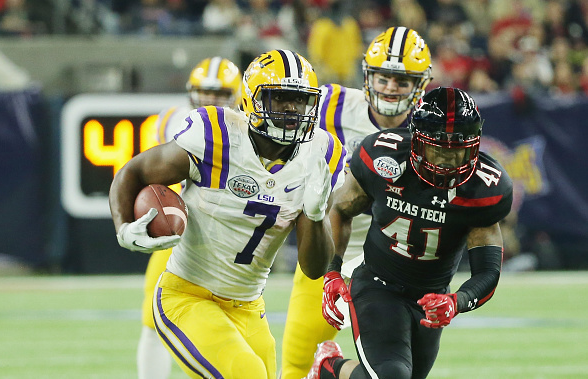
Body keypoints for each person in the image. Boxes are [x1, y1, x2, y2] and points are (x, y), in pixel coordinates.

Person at [109, 49, 347, 379]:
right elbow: (133, 173)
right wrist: (123, 227)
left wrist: (317, 213)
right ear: (251, 100)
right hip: (187, 296)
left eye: (299, 100)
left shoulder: (321, 153)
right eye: (280, 99)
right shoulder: (216, 136)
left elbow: (313, 267)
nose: (292, 109)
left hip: (249, 306)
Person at [307, 87, 514, 379]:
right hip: (377, 286)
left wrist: (455, 302)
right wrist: (333, 271)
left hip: (431, 296)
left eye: (459, 150)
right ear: (417, 140)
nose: (448, 160)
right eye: (438, 148)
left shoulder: (484, 189)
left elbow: (488, 273)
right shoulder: (382, 156)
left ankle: (328, 369)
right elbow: (340, 209)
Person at [281, 26, 433, 379]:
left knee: (391, 372)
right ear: (368, 76)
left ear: (419, 85)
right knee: (294, 364)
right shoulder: (328, 104)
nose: (391, 87)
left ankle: (328, 370)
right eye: (383, 76)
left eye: (402, 80)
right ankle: (320, 368)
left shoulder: (430, 130)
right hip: (325, 249)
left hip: (390, 263)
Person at [137, 56, 242, 379]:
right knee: (153, 320)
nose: (210, 100)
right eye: (204, 92)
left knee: (227, 329)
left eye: (221, 94)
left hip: (229, 240)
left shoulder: (248, 131)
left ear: (238, 96)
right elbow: (152, 178)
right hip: (180, 233)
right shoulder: (171, 120)